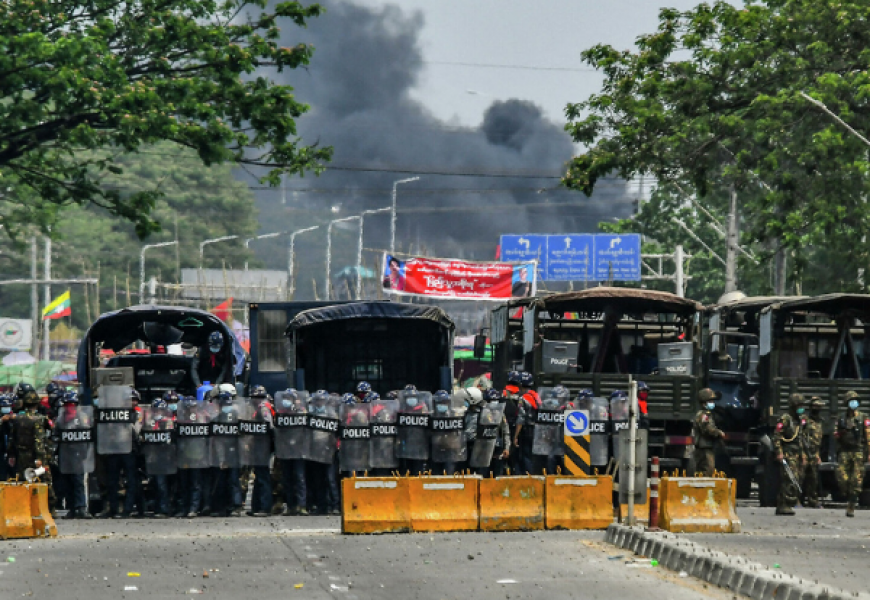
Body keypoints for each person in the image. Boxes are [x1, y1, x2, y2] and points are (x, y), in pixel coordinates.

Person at [8, 383, 55, 511]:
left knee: (23, 480)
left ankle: (23, 507)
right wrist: (40, 457)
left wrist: (11, 454)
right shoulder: (40, 419)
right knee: (45, 480)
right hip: (37, 455)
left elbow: (12, 439)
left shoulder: (17, 419)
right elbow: (39, 440)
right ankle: (49, 508)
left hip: (22, 455)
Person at [835, 391, 870, 517]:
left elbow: (868, 436)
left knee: (856, 480)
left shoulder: (863, 417)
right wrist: (843, 430)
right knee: (842, 478)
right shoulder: (841, 418)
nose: (854, 403)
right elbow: (836, 435)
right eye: (851, 401)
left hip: (858, 451)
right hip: (844, 451)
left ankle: (851, 505)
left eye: (855, 401)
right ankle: (847, 493)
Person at [773, 393, 806, 516]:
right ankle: (784, 504)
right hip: (788, 453)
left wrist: (803, 455)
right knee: (790, 478)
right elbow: (776, 436)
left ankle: (784, 504)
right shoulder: (785, 419)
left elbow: (800, 439)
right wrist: (779, 452)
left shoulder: (799, 420)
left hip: (797, 454)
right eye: (799, 405)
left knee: (796, 478)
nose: (801, 408)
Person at [247, 385, 274, 517]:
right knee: (259, 476)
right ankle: (256, 506)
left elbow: (269, 426)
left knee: (263, 476)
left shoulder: (263, 408)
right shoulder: (262, 407)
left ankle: (265, 507)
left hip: (263, 446)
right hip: (259, 446)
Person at [692, 388, 724, 477]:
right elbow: (707, 428)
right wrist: (718, 432)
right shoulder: (704, 415)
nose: (712, 403)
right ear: (704, 403)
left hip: (704, 447)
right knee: (708, 470)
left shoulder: (705, 414)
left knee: (702, 470)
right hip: (704, 447)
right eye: (710, 401)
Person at [513, 372, 539, 475]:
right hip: (538, 430)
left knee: (525, 455)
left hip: (527, 431)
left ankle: (528, 476)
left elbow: (521, 418)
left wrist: (516, 435)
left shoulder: (522, 398)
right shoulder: (536, 396)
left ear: (520, 385)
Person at [801, 396, 824, 508]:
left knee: (813, 478)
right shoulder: (804, 420)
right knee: (801, 477)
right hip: (804, 452)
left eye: (819, 407)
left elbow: (818, 440)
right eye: (815, 406)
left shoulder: (820, 421)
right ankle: (798, 500)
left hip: (814, 453)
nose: (817, 409)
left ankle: (813, 500)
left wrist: (818, 455)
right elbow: (799, 436)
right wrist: (802, 454)